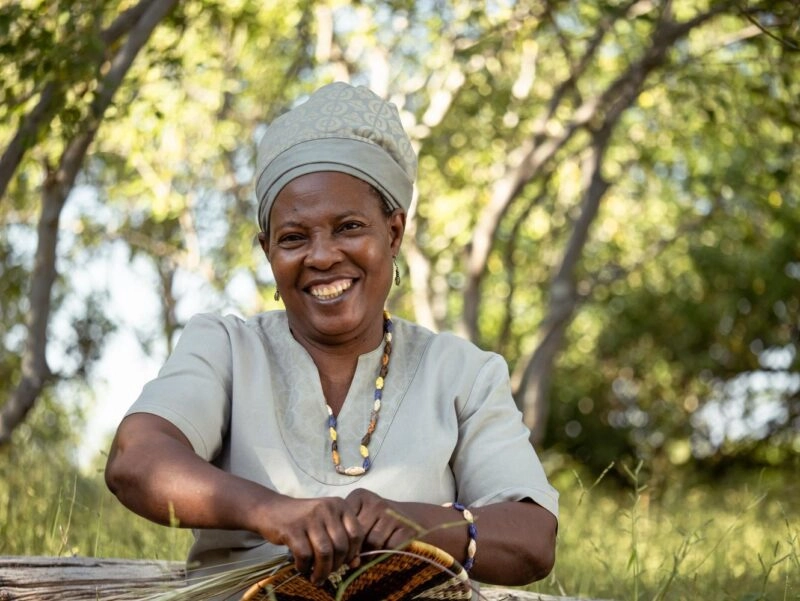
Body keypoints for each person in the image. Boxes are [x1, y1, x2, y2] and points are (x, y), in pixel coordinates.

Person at [105, 82, 559, 595]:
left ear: (393, 232)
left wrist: (422, 526)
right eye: (294, 238)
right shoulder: (227, 349)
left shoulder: (461, 373)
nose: (321, 256)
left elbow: (533, 537)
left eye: (348, 227)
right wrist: (273, 512)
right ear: (268, 251)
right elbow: (135, 460)